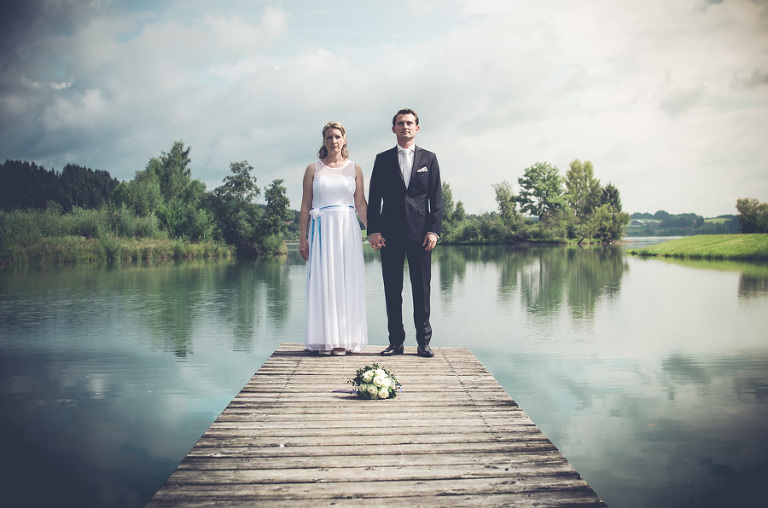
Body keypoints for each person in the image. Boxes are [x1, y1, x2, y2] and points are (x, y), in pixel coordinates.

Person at [367, 108, 443, 358]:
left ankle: (423, 342)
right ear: (393, 129)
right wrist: (374, 230)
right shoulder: (382, 159)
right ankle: (396, 342)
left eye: (409, 123)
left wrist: (433, 230)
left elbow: (436, 198)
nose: (405, 127)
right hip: (389, 234)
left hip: (421, 234)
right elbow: (374, 198)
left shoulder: (429, 159)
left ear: (417, 128)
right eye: (400, 123)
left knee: (422, 290)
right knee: (392, 290)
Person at [300, 121, 368, 355]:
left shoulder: (354, 168)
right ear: (324, 141)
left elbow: (360, 203)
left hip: (347, 229)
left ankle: (343, 340)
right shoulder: (313, 169)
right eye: (329, 137)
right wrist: (303, 238)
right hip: (321, 230)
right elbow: (305, 205)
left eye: (337, 136)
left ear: (344, 139)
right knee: (325, 281)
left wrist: (373, 232)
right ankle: (324, 339)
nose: (333, 141)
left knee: (346, 280)